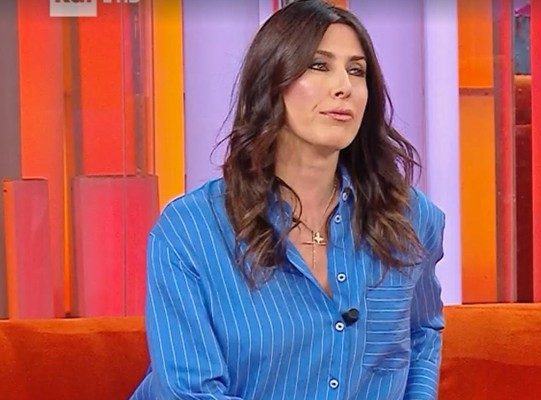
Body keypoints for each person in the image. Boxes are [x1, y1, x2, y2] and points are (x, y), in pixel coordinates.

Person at [130, 1, 445, 398]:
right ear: (271, 83)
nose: (343, 86)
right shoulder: (190, 232)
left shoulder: (411, 219)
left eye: (356, 70)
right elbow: (190, 392)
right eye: (319, 65)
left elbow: (421, 334)